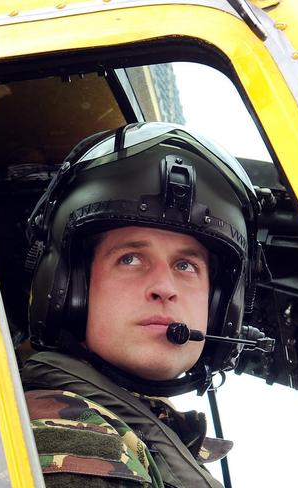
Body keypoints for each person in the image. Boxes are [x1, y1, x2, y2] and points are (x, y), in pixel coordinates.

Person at [21, 122, 267, 487]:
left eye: (186, 266)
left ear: (219, 310)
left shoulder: (142, 433)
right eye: (131, 259)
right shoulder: (76, 446)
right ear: (72, 290)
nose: (164, 287)